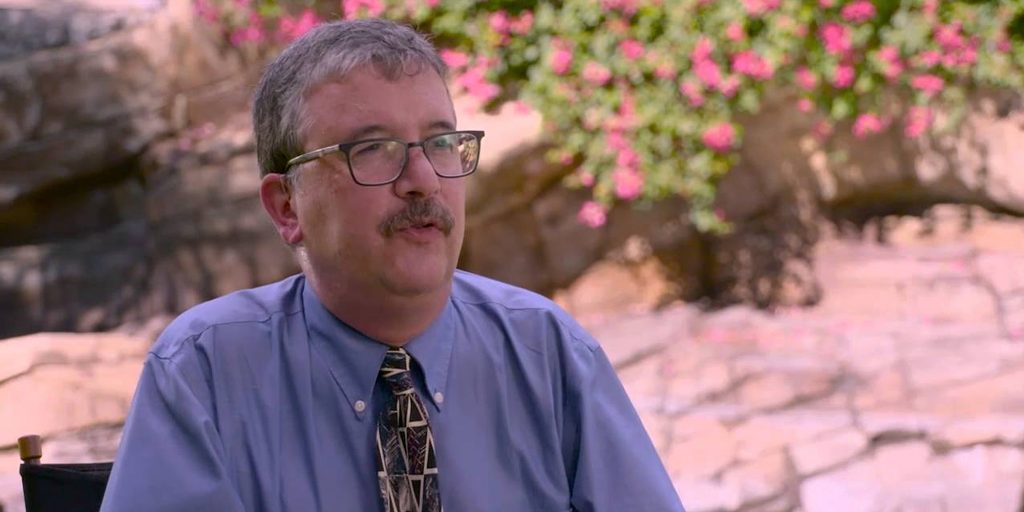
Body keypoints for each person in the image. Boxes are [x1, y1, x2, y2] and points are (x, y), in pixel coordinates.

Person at [100, 18, 684, 512]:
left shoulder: (548, 353)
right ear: (287, 207)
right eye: (372, 149)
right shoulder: (204, 373)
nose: (423, 181)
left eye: (439, 142)